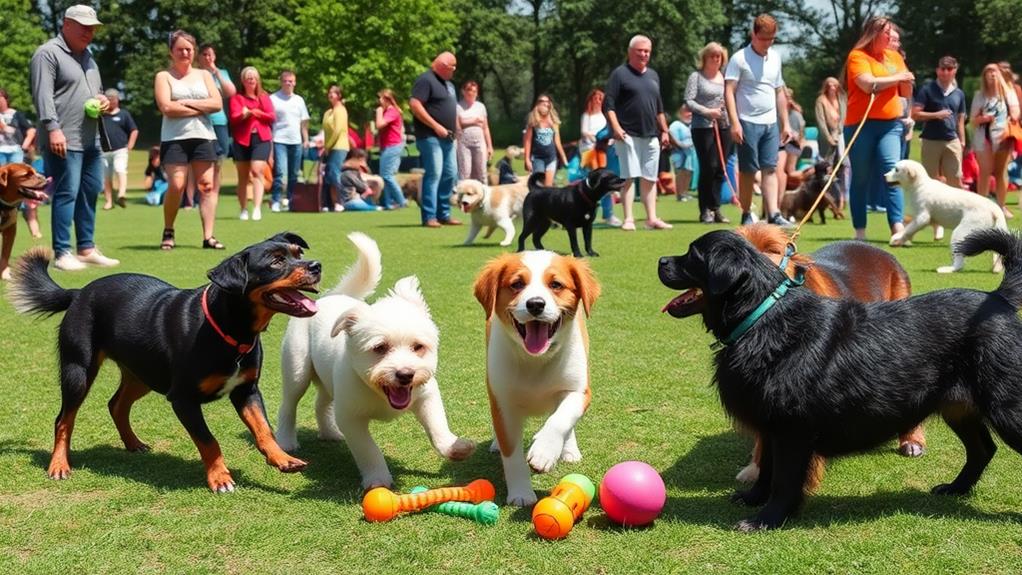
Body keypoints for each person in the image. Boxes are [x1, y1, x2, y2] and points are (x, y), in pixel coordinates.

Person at [29, 4, 119, 270]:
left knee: (91, 190)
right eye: (84, 26)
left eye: (92, 28)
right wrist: (53, 128)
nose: (89, 32)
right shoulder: (47, 54)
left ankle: (86, 248)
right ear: (66, 24)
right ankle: (62, 252)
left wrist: (102, 99)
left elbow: (96, 91)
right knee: (67, 192)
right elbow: (42, 94)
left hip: (90, 138)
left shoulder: (89, 58)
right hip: (63, 137)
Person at [842, 15, 914, 241]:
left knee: (892, 172)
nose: (891, 36)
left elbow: (906, 91)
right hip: (860, 125)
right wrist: (899, 77)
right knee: (861, 178)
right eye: (887, 32)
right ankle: (860, 231)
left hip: (890, 125)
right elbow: (866, 84)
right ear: (874, 34)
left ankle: (897, 228)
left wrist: (904, 80)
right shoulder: (857, 56)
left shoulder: (894, 57)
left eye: (891, 32)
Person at [154, 29, 224, 250]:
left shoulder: (204, 75)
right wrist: (200, 108)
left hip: (203, 136)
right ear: (171, 52)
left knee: (206, 186)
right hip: (174, 138)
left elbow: (217, 104)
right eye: (180, 49)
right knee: (176, 184)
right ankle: (169, 229)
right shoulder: (163, 76)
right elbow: (166, 107)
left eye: (189, 49)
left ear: (194, 51)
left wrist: (184, 104)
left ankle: (208, 236)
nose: (185, 53)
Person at [724, 14, 796, 228]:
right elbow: (729, 91)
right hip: (746, 121)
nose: (768, 43)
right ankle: (746, 213)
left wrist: (785, 123)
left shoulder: (775, 57)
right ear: (753, 34)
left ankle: (773, 214)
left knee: (771, 168)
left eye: (772, 39)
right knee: (748, 171)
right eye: (764, 38)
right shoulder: (739, 58)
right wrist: (734, 122)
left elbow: (779, 91)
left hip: (770, 122)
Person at [604, 35, 673, 231]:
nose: (644, 54)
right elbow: (608, 105)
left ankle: (651, 218)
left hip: (651, 135)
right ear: (630, 52)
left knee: (650, 178)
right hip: (628, 135)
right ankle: (629, 219)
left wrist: (665, 130)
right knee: (628, 176)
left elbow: (659, 107)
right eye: (640, 51)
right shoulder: (620, 74)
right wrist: (616, 129)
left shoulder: (653, 75)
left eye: (647, 51)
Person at [410, 51, 461, 227]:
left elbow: (451, 108)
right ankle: (429, 216)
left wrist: (456, 128)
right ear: (442, 66)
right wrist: (435, 126)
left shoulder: (449, 85)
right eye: (452, 67)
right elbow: (415, 105)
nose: (454, 70)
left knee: (450, 174)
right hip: (430, 137)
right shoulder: (426, 80)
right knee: (435, 174)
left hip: (449, 138)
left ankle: (444, 214)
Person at [686, 42, 732, 224]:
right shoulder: (696, 77)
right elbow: (688, 100)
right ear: (705, 57)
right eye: (712, 55)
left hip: (724, 125)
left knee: (721, 168)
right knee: (709, 167)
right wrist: (707, 111)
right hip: (703, 126)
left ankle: (716, 207)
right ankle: (705, 208)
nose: (715, 59)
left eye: (718, 56)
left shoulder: (726, 77)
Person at [971, 62, 1020, 218]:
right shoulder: (980, 95)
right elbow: (973, 120)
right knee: (984, 172)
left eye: (995, 72)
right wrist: (984, 118)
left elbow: (1016, 113)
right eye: (989, 72)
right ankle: (982, 206)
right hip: (983, 138)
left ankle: (1001, 206)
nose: (992, 74)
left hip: (1003, 137)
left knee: (1001, 173)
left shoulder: (1008, 93)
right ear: (984, 76)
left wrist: (1009, 117)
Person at [912, 56, 967, 189]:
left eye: (949, 69)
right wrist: (936, 115)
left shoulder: (959, 93)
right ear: (937, 70)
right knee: (930, 181)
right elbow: (915, 114)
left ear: (955, 71)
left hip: (952, 140)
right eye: (943, 69)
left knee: (955, 179)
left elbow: (960, 119)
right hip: (931, 140)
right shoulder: (927, 90)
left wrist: (962, 140)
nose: (946, 72)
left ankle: (954, 208)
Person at [229, 66, 275, 221]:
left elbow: (271, 116)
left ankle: (256, 208)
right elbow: (234, 117)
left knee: (257, 171)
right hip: (241, 140)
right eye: (248, 78)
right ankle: (243, 209)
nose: (251, 81)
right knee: (243, 176)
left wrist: (255, 113)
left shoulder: (263, 97)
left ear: (257, 80)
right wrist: (245, 115)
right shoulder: (237, 98)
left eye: (253, 78)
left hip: (261, 139)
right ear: (243, 81)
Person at [197, 43, 236, 212]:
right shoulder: (195, 74)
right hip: (201, 121)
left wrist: (216, 72)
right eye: (204, 54)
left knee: (219, 159)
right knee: (201, 161)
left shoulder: (222, 73)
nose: (208, 58)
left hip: (219, 121)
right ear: (199, 57)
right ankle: (193, 198)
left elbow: (230, 92)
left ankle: (214, 195)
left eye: (210, 54)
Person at [269, 70, 310, 212]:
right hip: (279, 139)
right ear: (281, 82)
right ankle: (275, 200)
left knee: (294, 174)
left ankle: (291, 200)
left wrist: (305, 139)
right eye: (286, 81)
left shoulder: (299, 100)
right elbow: (269, 122)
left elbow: (303, 123)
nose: (288, 83)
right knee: (280, 172)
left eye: (291, 81)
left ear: (295, 82)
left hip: (296, 140)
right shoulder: (273, 98)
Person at [579, 88, 620, 226]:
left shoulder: (607, 115)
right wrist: (594, 139)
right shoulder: (587, 115)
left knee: (605, 182)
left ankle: (608, 214)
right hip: (589, 151)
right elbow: (584, 132)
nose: (599, 100)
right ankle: (584, 212)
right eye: (596, 98)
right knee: (590, 183)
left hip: (603, 152)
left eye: (601, 98)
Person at [99, 89, 138, 210]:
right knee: (106, 177)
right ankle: (109, 201)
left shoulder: (124, 114)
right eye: (108, 99)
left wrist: (130, 144)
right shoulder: (101, 115)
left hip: (120, 149)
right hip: (103, 151)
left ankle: (121, 194)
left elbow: (134, 130)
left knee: (120, 169)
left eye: (113, 99)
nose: (111, 102)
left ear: (117, 100)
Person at [523, 94, 568, 187]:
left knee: (548, 186)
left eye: (547, 102)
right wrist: (527, 159)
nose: (545, 104)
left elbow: (557, 142)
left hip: (551, 157)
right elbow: (527, 141)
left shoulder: (554, 122)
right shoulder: (533, 122)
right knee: (539, 185)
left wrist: (563, 157)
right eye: (542, 102)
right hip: (538, 158)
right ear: (537, 104)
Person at [374, 88, 407, 210]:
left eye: (380, 98)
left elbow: (379, 124)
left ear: (387, 99)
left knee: (387, 175)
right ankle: (388, 203)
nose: (379, 101)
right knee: (387, 176)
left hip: (392, 146)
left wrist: (378, 112)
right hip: (388, 146)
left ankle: (401, 201)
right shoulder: (388, 111)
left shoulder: (392, 111)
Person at [321, 84, 350, 212]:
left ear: (339, 96)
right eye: (329, 92)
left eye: (334, 92)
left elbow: (338, 130)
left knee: (334, 173)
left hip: (339, 146)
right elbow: (326, 131)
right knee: (328, 174)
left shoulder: (341, 110)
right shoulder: (328, 112)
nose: (330, 94)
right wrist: (325, 146)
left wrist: (328, 146)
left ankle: (340, 201)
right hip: (329, 146)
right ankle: (329, 203)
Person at [456, 80, 492, 182]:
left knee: (481, 171)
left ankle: (484, 194)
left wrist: (489, 145)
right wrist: (474, 120)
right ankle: (464, 193)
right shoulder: (458, 107)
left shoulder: (480, 107)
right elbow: (458, 125)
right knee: (465, 172)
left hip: (479, 141)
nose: (471, 93)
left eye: (474, 91)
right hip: (464, 142)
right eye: (469, 90)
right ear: (463, 92)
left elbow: (485, 127)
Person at [776, 87, 808, 193]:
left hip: (792, 144)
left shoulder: (796, 115)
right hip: (780, 143)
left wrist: (801, 144)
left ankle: (810, 175)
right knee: (782, 171)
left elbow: (802, 133)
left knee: (789, 171)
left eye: (788, 98)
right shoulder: (776, 112)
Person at [667, 104, 694, 203]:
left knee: (689, 172)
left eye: (691, 112)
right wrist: (680, 145)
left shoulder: (692, 125)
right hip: (678, 152)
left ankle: (685, 192)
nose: (689, 114)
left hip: (690, 152)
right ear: (680, 113)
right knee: (680, 172)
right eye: (687, 112)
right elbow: (671, 138)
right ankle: (680, 194)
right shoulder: (676, 125)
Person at [815, 77, 845, 161]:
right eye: (830, 85)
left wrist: (839, 131)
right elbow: (821, 121)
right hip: (827, 134)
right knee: (827, 161)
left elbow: (844, 116)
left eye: (834, 85)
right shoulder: (821, 100)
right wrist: (828, 137)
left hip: (841, 132)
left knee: (843, 160)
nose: (832, 88)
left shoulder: (842, 99)